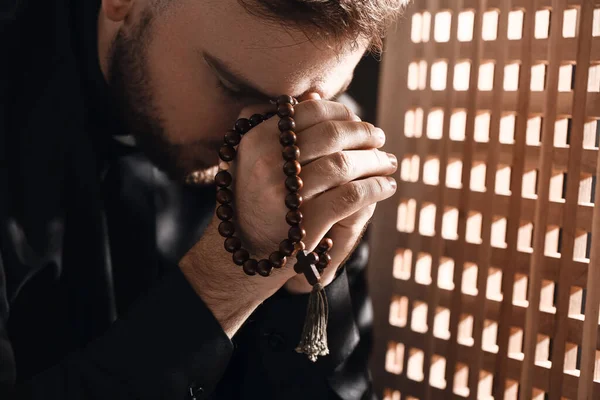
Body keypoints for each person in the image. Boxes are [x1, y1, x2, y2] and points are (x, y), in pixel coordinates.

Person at [0, 0, 405, 398]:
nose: (266, 148)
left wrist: (305, 289)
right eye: (230, 86)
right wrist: (226, 282)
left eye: (305, 105)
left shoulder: (312, 152)